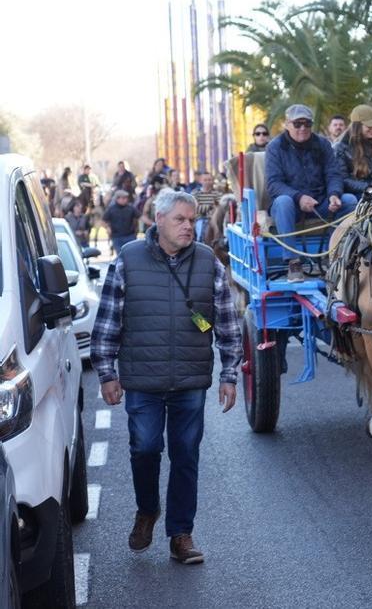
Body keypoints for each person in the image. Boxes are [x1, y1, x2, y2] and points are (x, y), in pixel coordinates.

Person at [90, 190, 241, 565]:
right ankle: (147, 510)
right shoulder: (128, 260)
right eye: (180, 219)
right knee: (144, 449)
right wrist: (107, 372)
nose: (189, 226)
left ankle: (181, 534)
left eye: (192, 220)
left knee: (186, 455)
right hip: (143, 380)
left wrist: (230, 373)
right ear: (158, 220)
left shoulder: (208, 262)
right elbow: (108, 319)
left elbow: (227, 322)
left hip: (190, 381)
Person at [266, 103, 358, 282]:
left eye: (307, 124)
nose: (303, 128)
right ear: (287, 124)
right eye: (297, 124)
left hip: (319, 202)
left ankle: (333, 253)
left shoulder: (322, 144)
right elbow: (273, 184)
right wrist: (298, 197)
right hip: (290, 205)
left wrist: (334, 194)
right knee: (284, 202)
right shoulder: (275, 147)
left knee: (349, 201)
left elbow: (333, 173)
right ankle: (293, 262)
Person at [191, 171, 221, 241]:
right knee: (200, 230)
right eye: (205, 180)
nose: (207, 182)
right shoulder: (195, 193)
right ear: (201, 181)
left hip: (214, 218)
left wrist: (204, 207)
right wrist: (210, 206)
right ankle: (200, 242)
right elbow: (195, 208)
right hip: (200, 218)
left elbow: (219, 207)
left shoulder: (216, 193)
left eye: (209, 180)